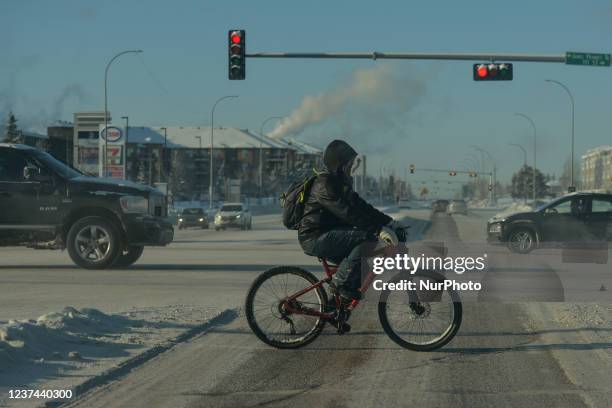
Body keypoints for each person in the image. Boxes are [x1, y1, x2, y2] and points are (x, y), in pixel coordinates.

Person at [298, 139, 403, 302]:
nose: (352, 168)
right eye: (350, 164)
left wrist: (389, 222)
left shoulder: (339, 183)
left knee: (362, 267)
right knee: (367, 238)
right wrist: (378, 230)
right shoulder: (325, 184)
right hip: (315, 236)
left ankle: (335, 306)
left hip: (328, 233)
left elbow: (361, 206)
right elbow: (348, 213)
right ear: (339, 164)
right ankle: (340, 284)